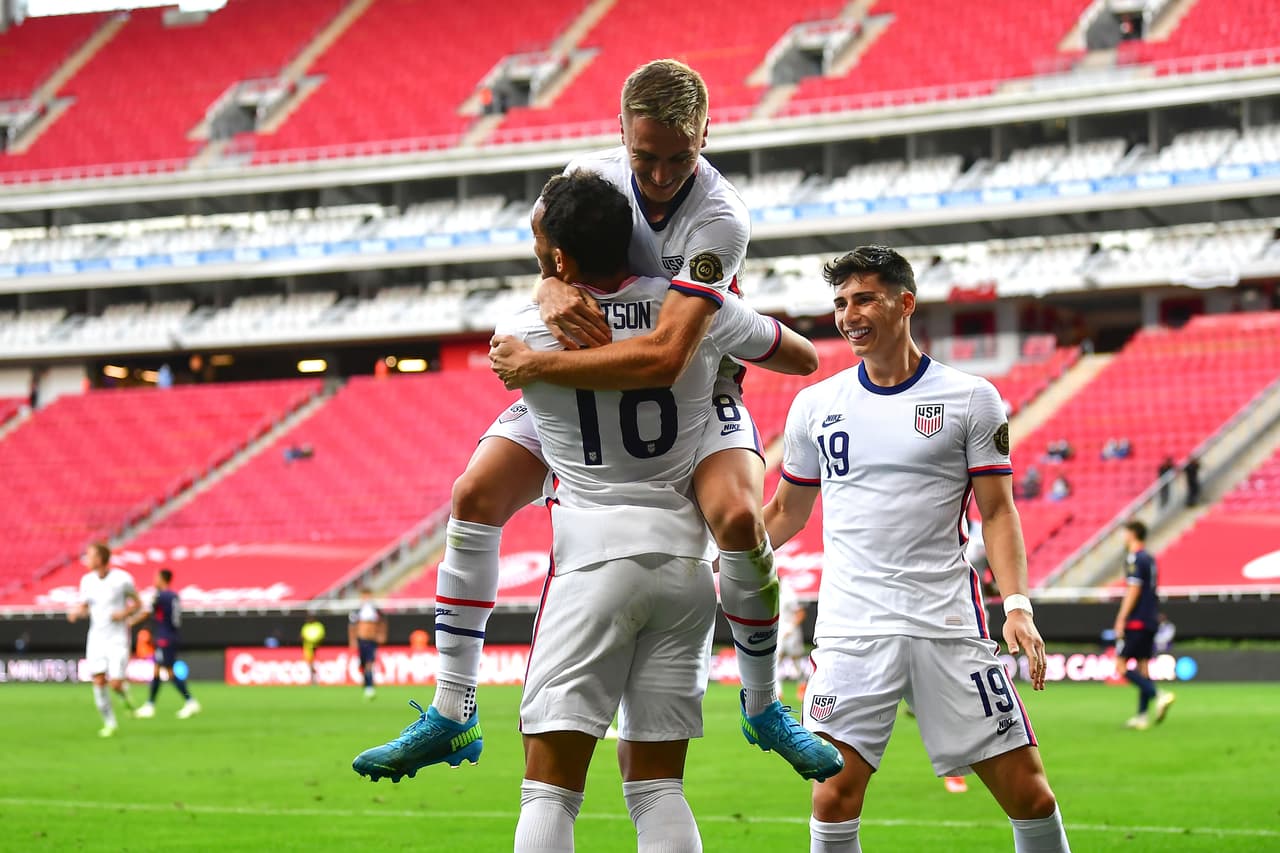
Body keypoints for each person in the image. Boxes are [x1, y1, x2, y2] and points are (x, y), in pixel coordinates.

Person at [359, 58, 832, 782]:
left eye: (683, 156)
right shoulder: (590, 176)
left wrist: (539, 360)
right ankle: (452, 708)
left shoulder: (721, 217)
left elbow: (669, 353)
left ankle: (764, 704)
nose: (665, 173)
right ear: (619, 133)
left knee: (739, 520)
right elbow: (541, 227)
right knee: (474, 496)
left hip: (694, 391)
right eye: (647, 157)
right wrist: (551, 281)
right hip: (592, 373)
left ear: (708, 132)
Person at [764, 247, 1071, 852]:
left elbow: (999, 510)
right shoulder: (815, 406)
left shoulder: (971, 398)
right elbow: (784, 513)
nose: (849, 315)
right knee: (833, 794)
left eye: (865, 299)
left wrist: (1017, 606)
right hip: (853, 632)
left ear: (905, 303)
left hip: (947, 626)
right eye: (841, 303)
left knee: (1030, 796)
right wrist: (719, 559)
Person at [67, 542, 140, 737]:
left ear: (100, 559)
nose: (86, 559)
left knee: (115, 683)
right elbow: (85, 605)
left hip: (117, 638)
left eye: (89, 555)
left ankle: (125, 697)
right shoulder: (87, 581)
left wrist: (124, 613)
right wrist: (77, 612)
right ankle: (110, 723)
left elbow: (138, 603)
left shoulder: (122, 579)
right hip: (96, 638)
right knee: (98, 680)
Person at [1113, 521, 1175, 730]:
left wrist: (1121, 618)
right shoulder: (1150, 558)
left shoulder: (1135, 558)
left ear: (1132, 534)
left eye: (1125, 533)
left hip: (1137, 620)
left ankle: (1159, 694)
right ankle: (1141, 717)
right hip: (1150, 619)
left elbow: (1134, 590)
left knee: (1121, 666)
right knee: (1143, 667)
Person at [130, 568, 201, 719]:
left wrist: (130, 622)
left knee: (169, 672)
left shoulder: (160, 596)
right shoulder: (174, 596)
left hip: (164, 638)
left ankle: (190, 701)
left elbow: (146, 612)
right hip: (171, 636)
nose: (154, 580)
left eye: (156, 577)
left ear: (162, 579)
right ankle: (150, 705)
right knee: (157, 671)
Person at [349, 587, 387, 699]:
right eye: (364, 596)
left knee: (370, 663)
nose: (366, 598)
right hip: (361, 640)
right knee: (363, 664)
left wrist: (382, 635)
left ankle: (369, 687)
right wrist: (352, 640)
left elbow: (383, 622)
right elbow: (352, 626)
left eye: (368, 596)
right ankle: (366, 683)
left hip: (371, 640)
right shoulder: (357, 611)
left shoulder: (376, 611)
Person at [775, 575, 808, 704]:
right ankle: (777, 692)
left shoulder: (789, 594)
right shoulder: (769, 594)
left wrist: (792, 627)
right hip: (778, 631)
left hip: (791, 631)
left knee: (797, 662)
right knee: (775, 660)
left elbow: (800, 612)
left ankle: (802, 686)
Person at [300, 616, 326, 684]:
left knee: (316, 663)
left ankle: (317, 677)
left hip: (317, 647)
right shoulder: (306, 626)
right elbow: (302, 636)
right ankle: (313, 678)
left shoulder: (318, 626)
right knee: (310, 663)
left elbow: (321, 636)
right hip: (308, 647)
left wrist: (315, 641)